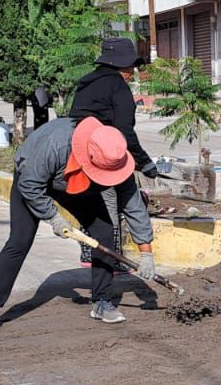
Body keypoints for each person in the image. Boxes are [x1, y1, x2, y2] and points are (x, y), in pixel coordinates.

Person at [0, 116, 156, 335]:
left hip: (80, 184)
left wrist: (146, 253)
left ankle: (102, 301)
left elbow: (134, 206)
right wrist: (54, 217)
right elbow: (29, 185)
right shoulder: (54, 145)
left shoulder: (115, 156)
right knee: (19, 241)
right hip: (33, 180)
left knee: (104, 232)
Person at [68, 37, 159, 270]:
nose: (133, 73)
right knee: (125, 200)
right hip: (107, 156)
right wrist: (145, 163)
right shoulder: (118, 86)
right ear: (121, 66)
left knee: (95, 205)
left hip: (80, 153)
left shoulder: (86, 82)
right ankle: (118, 262)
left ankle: (89, 255)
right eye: (131, 67)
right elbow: (125, 131)